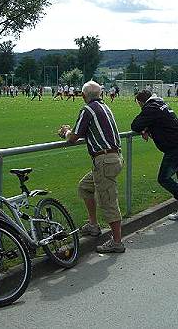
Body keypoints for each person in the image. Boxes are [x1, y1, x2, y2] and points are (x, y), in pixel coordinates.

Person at [58, 81, 125, 253]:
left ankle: (117, 242)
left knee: (107, 200)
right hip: (113, 157)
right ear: (101, 94)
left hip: (104, 160)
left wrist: (65, 131)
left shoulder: (87, 109)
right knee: (85, 187)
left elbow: (73, 137)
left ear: (83, 96)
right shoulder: (105, 107)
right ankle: (93, 225)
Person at [131, 89, 178, 221]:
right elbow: (160, 121)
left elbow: (135, 125)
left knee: (163, 178)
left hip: (175, 148)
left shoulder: (151, 107)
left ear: (141, 102)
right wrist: (148, 128)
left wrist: (144, 128)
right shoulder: (161, 104)